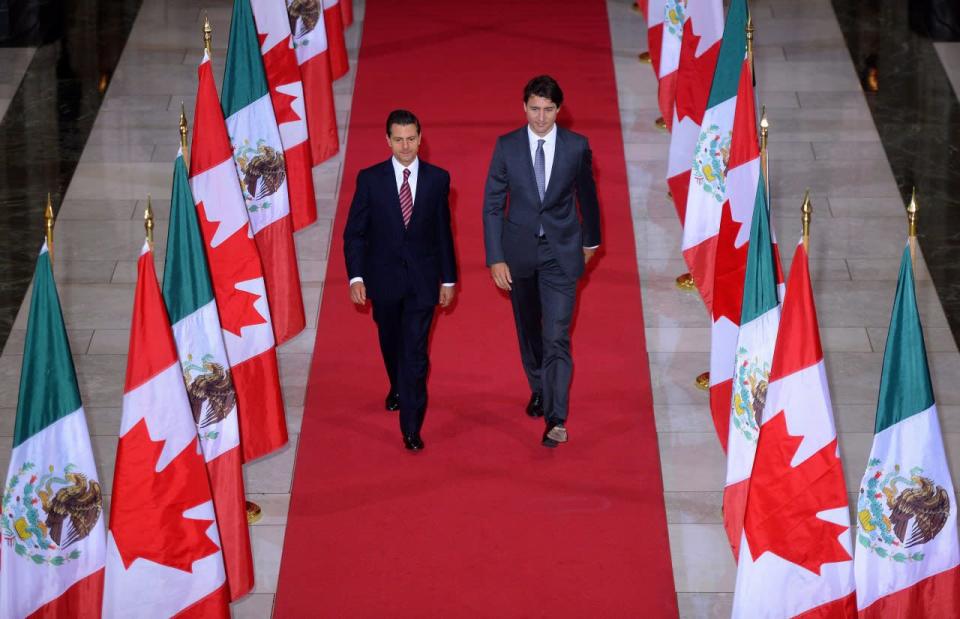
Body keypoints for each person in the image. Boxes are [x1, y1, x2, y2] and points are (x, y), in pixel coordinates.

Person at [482, 75, 601, 448]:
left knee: (556, 335)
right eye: (534, 108)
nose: (541, 117)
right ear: (524, 107)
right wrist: (496, 257)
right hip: (518, 255)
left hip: (560, 254)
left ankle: (556, 418)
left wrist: (591, 242)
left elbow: (588, 197)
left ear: (559, 110)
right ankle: (538, 387)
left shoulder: (576, 147)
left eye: (548, 110)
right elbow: (491, 205)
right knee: (530, 333)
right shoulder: (506, 147)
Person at [343, 109, 457, 451]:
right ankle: (396, 385)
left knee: (415, 354)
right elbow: (355, 234)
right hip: (384, 282)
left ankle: (410, 425)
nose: (405, 146)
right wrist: (356, 277)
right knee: (391, 342)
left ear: (421, 139)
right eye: (398, 139)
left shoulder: (438, 179)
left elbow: (442, 232)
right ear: (387, 141)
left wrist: (448, 280)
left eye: (411, 138)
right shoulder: (370, 179)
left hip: (423, 283)